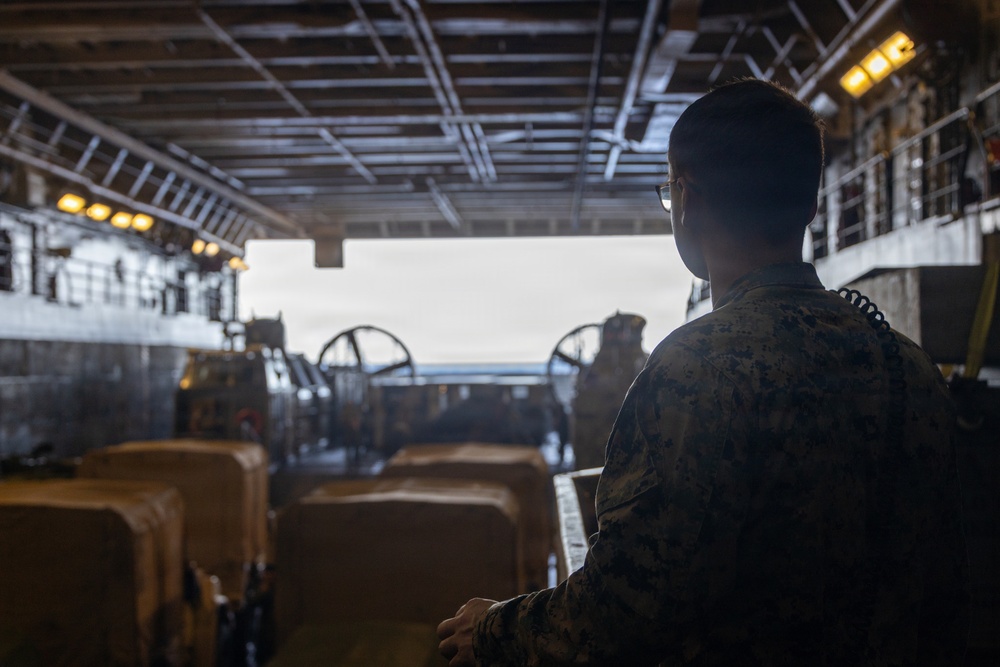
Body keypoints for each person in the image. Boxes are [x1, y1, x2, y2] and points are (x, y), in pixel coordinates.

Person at [437, 79, 969, 666]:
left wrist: (493, 629)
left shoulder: (694, 369)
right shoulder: (913, 368)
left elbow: (624, 613)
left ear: (685, 198)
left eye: (670, 191)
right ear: (812, 205)